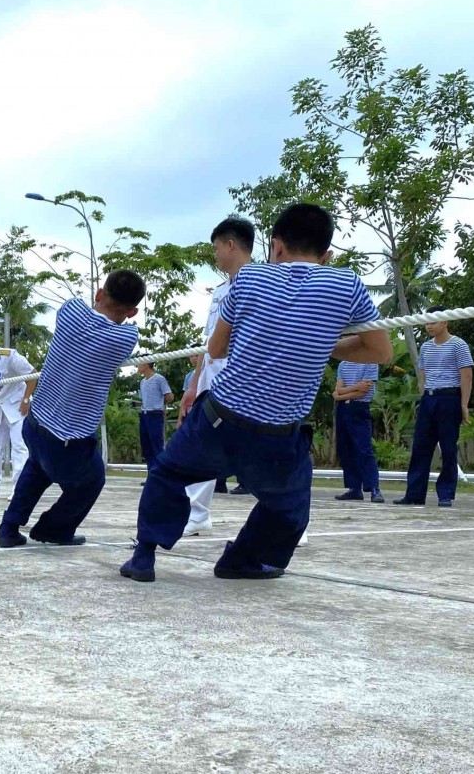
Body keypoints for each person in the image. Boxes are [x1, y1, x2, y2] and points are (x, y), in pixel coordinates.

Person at [121, 202, 390, 583]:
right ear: (327, 254)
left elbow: (216, 350)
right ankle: (241, 560)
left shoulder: (250, 279)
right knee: (291, 502)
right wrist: (320, 342)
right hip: (276, 438)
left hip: (220, 420)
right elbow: (381, 350)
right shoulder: (346, 284)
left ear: (275, 246)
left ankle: (144, 558)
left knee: (166, 472)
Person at [0, 271, 145, 548]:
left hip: (36, 422)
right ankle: (54, 529)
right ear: (132, 311)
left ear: (100, 294)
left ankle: (9, 527)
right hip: (67, 440)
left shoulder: (71, 310)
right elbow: (126, 330)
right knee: (92, 479)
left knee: (37, 467)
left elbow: (86, 309)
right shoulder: (124, 337)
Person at [179, 217, 255, 532]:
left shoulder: (262, 284)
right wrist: (194, 384)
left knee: (262, 451)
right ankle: (197, 514)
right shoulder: (221, 290)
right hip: (213, 380)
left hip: (245, 381)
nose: (215, 255)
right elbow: (210, 341)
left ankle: (291, 521)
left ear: (230, 244)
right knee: (202, 446)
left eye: (215, 248)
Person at [397, 309, 474, 508]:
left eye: (433, 322)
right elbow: (423, 374)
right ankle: (414, 494)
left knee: (448, 448)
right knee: (420, 447)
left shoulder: (458, 344)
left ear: (445, 321)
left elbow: (466, 375)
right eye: (426, 322)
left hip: (449, 398)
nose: (429, 326)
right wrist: (423, 394)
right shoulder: (425, 347)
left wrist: (464, 404)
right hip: (429, 399)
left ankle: (445, 494)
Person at [0, 326, 36, 500]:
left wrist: (26, 399)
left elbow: (33, 375)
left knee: (19, 447)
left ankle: (19, 488)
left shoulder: (8, 355)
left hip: (17, 406)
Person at [333, 361, 383, 503]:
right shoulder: (343, 364)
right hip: (343, 409)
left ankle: (374, 488)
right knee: (346, 449)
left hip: (359, 408)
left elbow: (364, 392)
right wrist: (354, 388)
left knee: (364, 449)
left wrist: (341, 394)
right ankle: (354, 488)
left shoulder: (370, 363)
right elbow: (339, 388)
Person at [137, 362, 172, 467]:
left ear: (146, 364)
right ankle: (151, 475)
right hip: (144, 414)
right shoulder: (142, 382)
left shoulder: (159, 379)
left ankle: (160, 475)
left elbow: (169, 396)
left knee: (157, 446)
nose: (137, 366)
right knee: (146, 447)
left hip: (155, 414)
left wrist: (160, 405)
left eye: (139, 364)